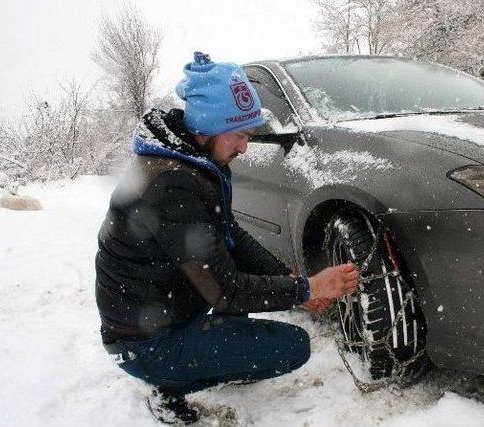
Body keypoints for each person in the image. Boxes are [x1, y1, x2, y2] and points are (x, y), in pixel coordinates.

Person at [95, 52, 359, 424]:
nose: (244, 148)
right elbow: (226, 291)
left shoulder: (191, 161)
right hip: (143, 344)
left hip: (160, 313)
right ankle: (168, 385)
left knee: (231, 268)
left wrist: (291, 282)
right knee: (293, 348)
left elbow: (229, 233)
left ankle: (191, 357)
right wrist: (306, 290)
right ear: (209, 126)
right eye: (239, 135)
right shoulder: (173, 186)